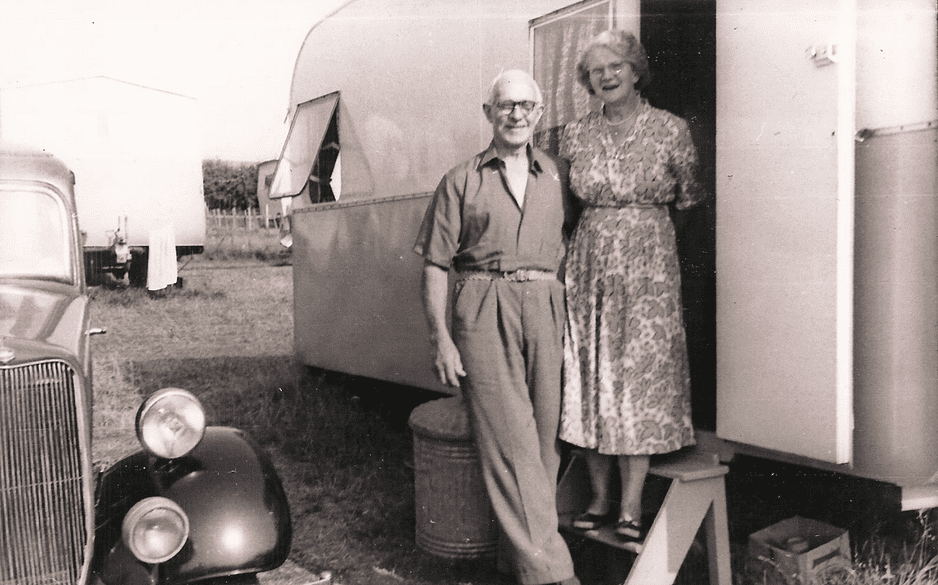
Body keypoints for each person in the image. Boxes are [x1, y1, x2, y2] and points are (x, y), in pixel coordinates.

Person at [414, 69, 580, 585]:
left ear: (539, 114)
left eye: (527, 106)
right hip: (484, 306)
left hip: (547, 304)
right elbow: (435, 264)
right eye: (506, 105)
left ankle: (519, 561)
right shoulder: (461, 179)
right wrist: (442, 337)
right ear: (488, 113)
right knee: (510, 445)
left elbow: (577, 239)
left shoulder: (556, 175)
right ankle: (553, 575)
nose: (516, 115)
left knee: (546, 443)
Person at [559, 29, 706, 542]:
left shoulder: (671, 129)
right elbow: (567, 208)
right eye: (596, 70)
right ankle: (599, 499)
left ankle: (631, 506)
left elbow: (688, 203)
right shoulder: (574, 135)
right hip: (589, 263)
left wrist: (647, 238)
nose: (606, 76)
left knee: (637, 375)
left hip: (649, 267)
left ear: (636, 69)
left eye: (615, 65)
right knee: (590, 371)